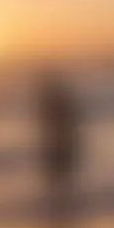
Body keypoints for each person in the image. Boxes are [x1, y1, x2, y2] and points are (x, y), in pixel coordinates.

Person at [37, 73, 81, 208]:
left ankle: (60, 201)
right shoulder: (58, 103)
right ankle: (62, 200)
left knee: (60, 172)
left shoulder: (54, 104)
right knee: (61, 172)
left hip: (59, 143)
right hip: (59, 143)